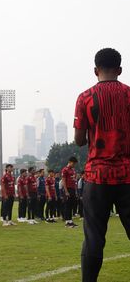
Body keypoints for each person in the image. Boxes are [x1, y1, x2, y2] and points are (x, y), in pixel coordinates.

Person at [74, 48, 130, 281]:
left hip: (97, 177)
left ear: (95, 70)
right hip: (128, 176)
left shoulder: (85, 97)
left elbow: (78, 141)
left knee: (94, 237)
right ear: (119, 70)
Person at [61, 157, 78, 228]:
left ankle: (70, 221)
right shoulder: (65, 170)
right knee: (67, 205)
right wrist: (66, 191)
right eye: (73, 163)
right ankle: (67, 222)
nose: (74, 165)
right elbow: (63, 181)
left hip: (73, 189)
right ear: (70, 162)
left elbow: (74, 180)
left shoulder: (73, 170)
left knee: (71, 205)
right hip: (68, 189)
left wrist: (75, 190)